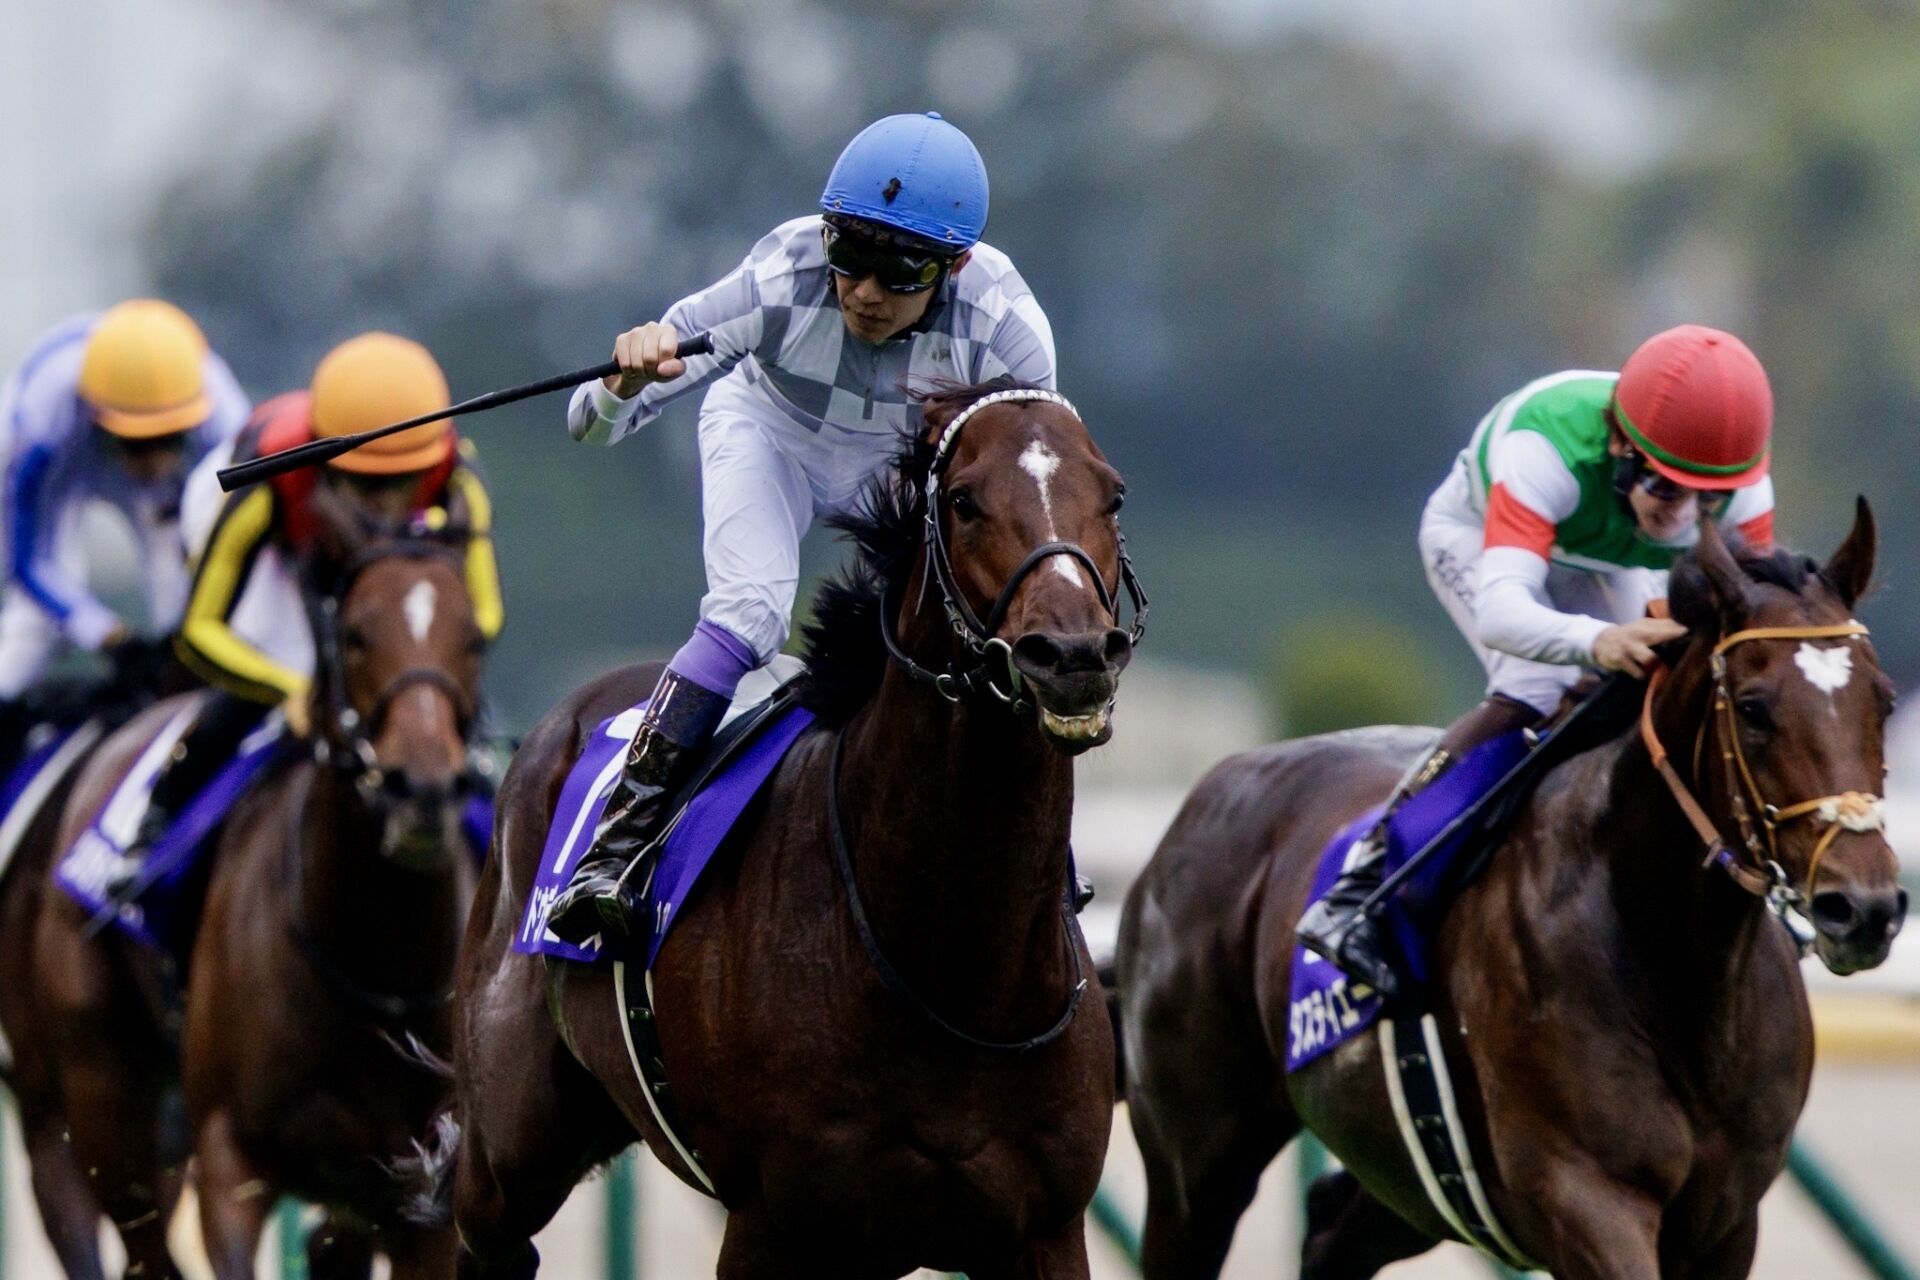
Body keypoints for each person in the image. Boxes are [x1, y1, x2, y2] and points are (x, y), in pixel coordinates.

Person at [544, 111, 1057, 947]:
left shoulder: (1007, 332)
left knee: (965, 631)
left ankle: (1039, 863)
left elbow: (1028, 484)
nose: (863, 290)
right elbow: (588, 427)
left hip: (899, 460)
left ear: (955, 266)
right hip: (769, 433)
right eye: (849, 251)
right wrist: (623, 381)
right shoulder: (778, 278)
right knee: (749, 613)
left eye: (900, 270)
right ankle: (617, 847)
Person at [1297, 324, 1778, 996]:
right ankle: (1365, 884)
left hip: (1605, 558)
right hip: (1482, 542)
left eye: (1709, 500)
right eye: (1669, 491)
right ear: (1619, 444)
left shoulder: (1743, 492)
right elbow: (1503, 611)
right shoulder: (1543, 448)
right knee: (1539, 683)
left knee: (1662, 693)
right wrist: (1596, 640)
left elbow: (1753, 631)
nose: (1686, 519)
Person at [107, 332, 503, 886]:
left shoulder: (457, 475)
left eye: (402, 483)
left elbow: (483, 615)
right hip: (277, 539)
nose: (386, 506)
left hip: (358, 556)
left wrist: (425, 673)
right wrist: (289, 691)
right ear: (327, 460)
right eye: (366, 484)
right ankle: (146, 832)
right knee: (291, 665)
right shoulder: (272, 481)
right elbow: (199, 631)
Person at [0, 301, 249, 769]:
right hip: (69, 461)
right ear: (97, 414)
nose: (156, 463)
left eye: (171, 439)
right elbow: (28, 562)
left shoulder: (224, 412)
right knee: (31, 633)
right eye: (138, 441)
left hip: (116, 455)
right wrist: (108, 636)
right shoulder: (38, 418)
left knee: (185, 611)